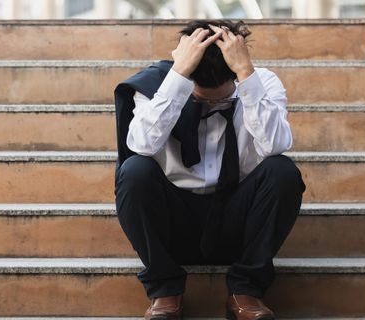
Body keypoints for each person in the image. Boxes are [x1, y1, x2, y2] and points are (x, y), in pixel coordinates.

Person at [113, 19, 306, 320]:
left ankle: (246, 292)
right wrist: (178, 76)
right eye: (201, 95)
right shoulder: (157, 85)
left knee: (282, 172)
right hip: (174, 218)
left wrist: (245, 74)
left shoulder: (261, 83)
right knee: (134, 171)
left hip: (236, 218)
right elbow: (141, 145)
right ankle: (165, 291)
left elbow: (274, 145)